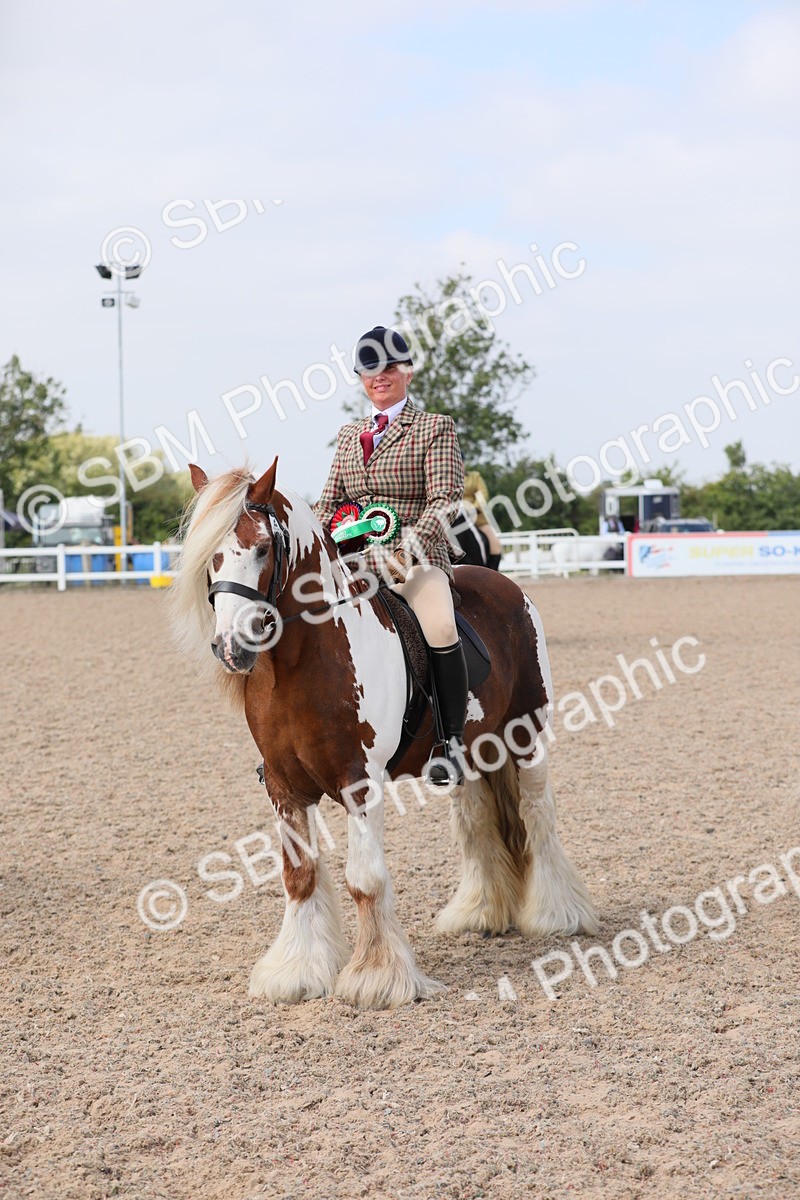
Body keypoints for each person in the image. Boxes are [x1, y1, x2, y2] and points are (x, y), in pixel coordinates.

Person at [314, 325, 468, 786]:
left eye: (389, 367)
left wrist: (406, 550)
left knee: (440, 626)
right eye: (369, 370)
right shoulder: (349, 435)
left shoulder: (434, 428)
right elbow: (329, 502)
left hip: (417, 559)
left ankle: (450, 743)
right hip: (353, 561)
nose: (379, 376)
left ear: (408, 372)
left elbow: (445, 500)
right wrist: (317, 543)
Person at [463, 469, 503, 570]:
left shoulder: (475, 476)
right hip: (453, 517)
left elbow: (483, 494)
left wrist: (473, 508)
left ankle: (492, 572)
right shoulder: (446, 478)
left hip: (476, 517)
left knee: (495, 544)